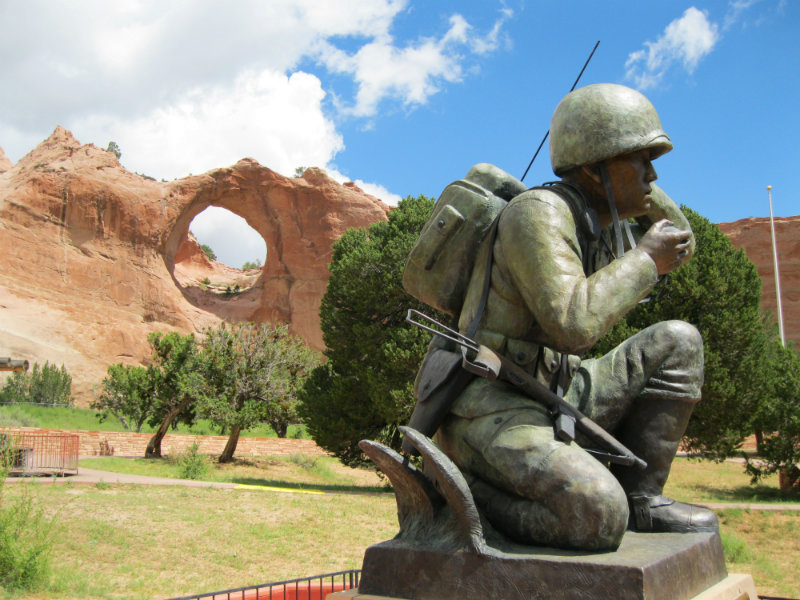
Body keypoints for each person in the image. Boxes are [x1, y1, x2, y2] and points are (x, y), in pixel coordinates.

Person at [431, 83, 718, 551]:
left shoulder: (597, 217)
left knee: (679, 340)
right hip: (494, 401)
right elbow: (572, 323)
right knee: (599, 516)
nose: (652, 174)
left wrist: (643, 197)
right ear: (593, 164)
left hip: (560, 387)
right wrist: (645, 258)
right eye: (640, 159)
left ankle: (643, 500)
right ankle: (465, 490)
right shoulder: (537, 214)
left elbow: (681, 241)